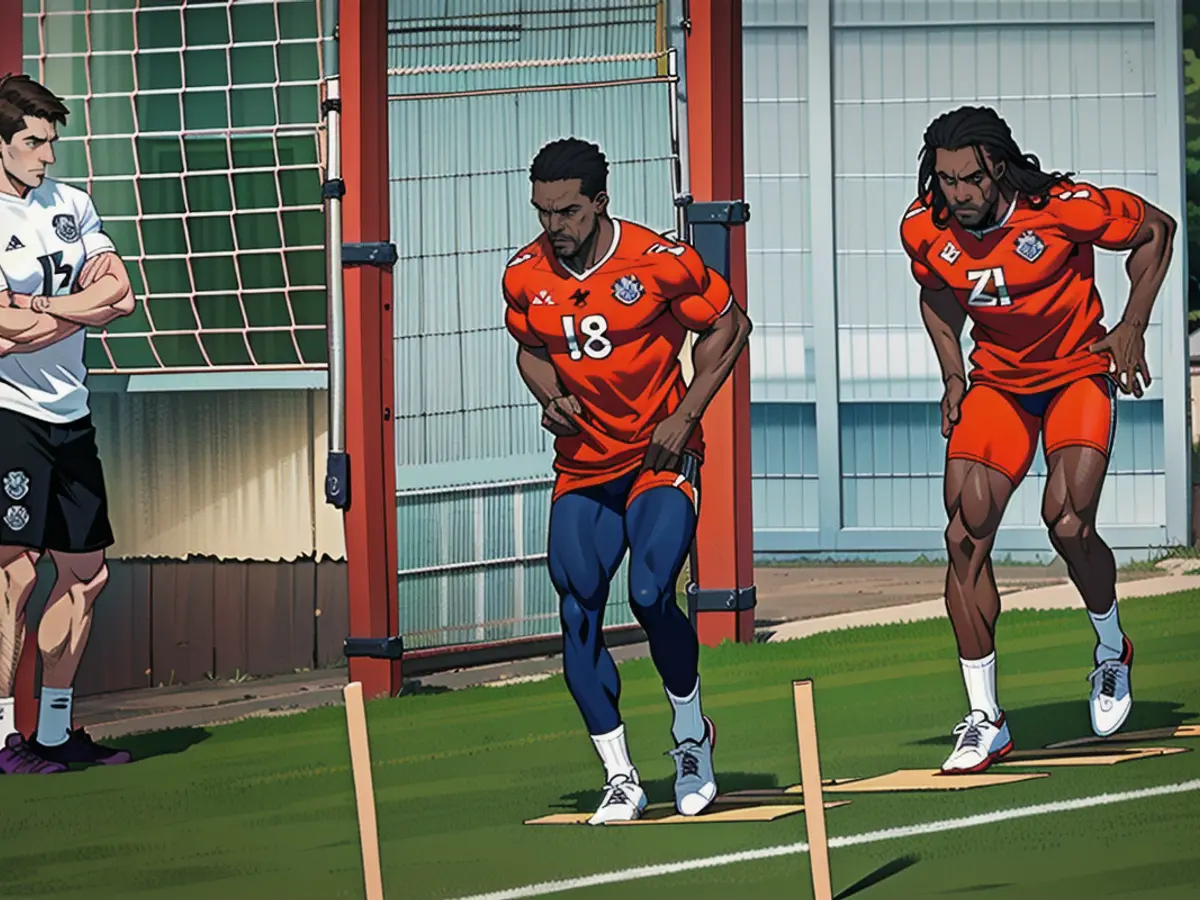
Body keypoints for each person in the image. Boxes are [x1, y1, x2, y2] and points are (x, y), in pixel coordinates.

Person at [900, 106, 1176, 774]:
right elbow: (936, 293)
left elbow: (1157, 231)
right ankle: (985, 717)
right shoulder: (924, 227)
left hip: (1078, 370)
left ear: (996, 166)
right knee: (963, 531)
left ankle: (1111, 649)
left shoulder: (1063, 209)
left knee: (1068, 520)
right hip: (999, 385)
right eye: (944, 180)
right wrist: (952, 374)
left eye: (967, 179)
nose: (956, 194)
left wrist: (1134, 323)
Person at [503, 138, 752, 822]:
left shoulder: (657, 261)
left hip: (658, 460)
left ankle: (691, 737)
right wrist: (548, 396)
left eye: (568, 212)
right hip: (583, 467)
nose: (554, 226)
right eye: (542, 212)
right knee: (577, 606)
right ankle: (620, 775)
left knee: (649, 593)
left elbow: (731, 325)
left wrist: (687, 413)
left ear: (600, 203)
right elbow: (529, 350)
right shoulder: (526, 274)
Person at [0, 74, 136, 774]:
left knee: (86, 575)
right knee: (14, 572)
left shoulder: (72, 204)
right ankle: (2, 739)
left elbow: (122, 290)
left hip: (70, 412)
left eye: (51, 142)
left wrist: (38, 316)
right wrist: (81, 308)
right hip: (10, 415)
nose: (46, 156)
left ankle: (53, 732)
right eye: (32, 142)